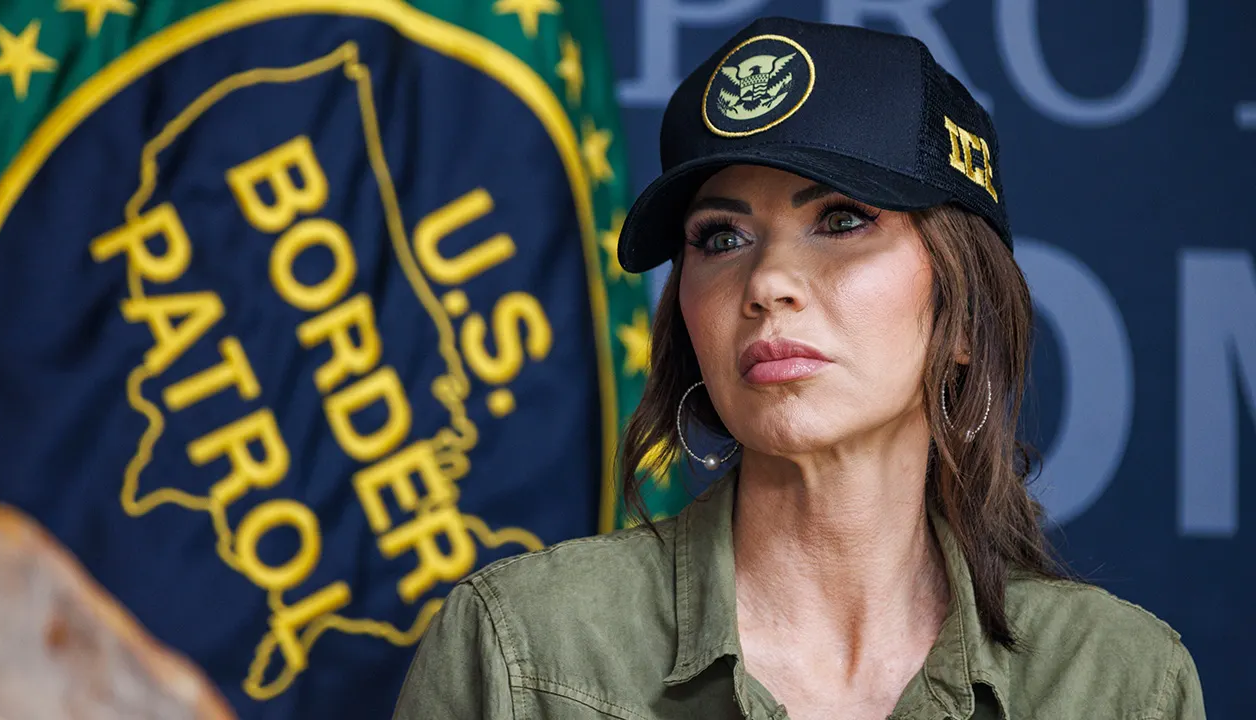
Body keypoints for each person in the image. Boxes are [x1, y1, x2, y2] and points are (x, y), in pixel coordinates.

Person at [394, 18, 1206, 720]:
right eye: (721, 237)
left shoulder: (1121, 681)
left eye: (842, 220)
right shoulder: (521, 648)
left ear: (964, 312)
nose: (768, 283)